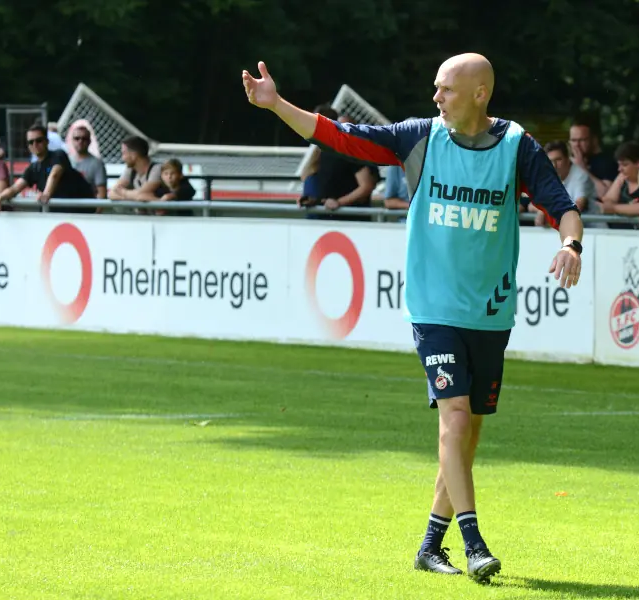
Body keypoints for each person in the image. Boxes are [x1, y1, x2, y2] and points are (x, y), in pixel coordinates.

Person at [242, 53, 583, 584]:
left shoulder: (517, 146)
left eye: (446, 88)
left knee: (468, 432)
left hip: (491, 310)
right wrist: (275, 103)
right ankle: (474, 544)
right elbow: (339, 135)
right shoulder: (419, 137)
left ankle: (429, 547)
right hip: (434, 306)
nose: (436, 97)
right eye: (435, 88)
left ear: (479, 94)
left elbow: (562, 205)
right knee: (453, 415)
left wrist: (571, 244)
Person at [0, 125, 95, 213]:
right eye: (31, 142)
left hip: (82, 213)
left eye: (39, 140)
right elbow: (15, 188)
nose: (35, 144)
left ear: (46, 141)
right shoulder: (33, 168)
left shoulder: (59, 154)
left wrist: (46, 194)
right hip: (61, 215)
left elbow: (54, 174)